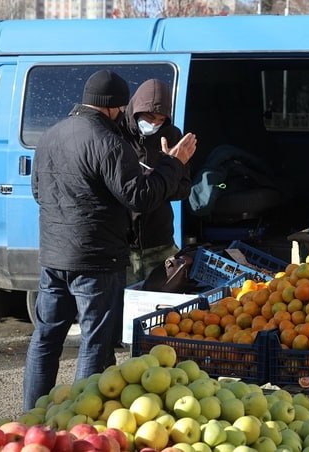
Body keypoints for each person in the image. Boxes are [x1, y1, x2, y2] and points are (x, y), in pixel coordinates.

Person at [24, 70, 197, 411]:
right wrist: (173, 164)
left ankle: (31, 413)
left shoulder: (50, 135)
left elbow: (38, 191)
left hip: (53, 257)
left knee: (45, 339)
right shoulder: (108, 142)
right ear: (113, 107)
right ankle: (80, 418)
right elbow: (140, 197)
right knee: (95, 343)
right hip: (97, 259)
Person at [119, 78, 192, 285]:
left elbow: (184, 188)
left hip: (160, 241)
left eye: (160, 120)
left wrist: (162, 177)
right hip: (123, 245)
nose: (153, 124)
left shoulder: (172, 135)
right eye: (149, 117)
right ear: (136, 110)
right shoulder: (116, 133)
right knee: (124, 301)